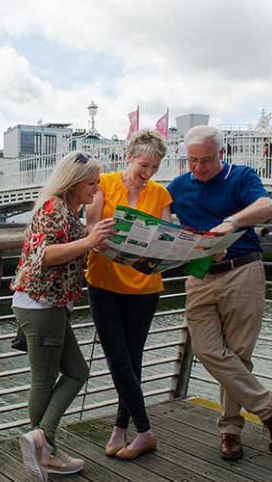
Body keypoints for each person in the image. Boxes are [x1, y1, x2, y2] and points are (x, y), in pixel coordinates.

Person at [167, 125, 272, 461]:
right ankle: (269, 406)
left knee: (238, 353)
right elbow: (161, 221)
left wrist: (231, 224)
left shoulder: (241, 176)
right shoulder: (178, 186)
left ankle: (230, 431)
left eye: (206, 160)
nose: (199, 168)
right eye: (192, 160)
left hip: (242, 271)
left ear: (221, 153)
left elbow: (267, 206)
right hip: (201, 276)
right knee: (207, 350)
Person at [11, 151, 115, 480]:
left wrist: (91, 237)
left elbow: (67, 244)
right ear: (73, 183)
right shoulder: (55, 207)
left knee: (77, 373)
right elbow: (47, 255)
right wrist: (89, 241)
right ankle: (45, 448)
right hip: (41, 304)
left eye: (97, 184)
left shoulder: (68, 210)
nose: (95, 190)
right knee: (44, 380)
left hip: (50, 305)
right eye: (91, 183)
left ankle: (42, 440)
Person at [85, 129, 172, 460]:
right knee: (117, 358)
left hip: (144, 287)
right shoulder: (103, 183)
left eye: (155, 167)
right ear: (129, 157)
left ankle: (121, 429)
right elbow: (91, 224)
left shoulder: (161, 194)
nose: (148, 173)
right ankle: (145, 430)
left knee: (132, 359)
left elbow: (165, 236)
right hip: (104, 281)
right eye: (144, 165)